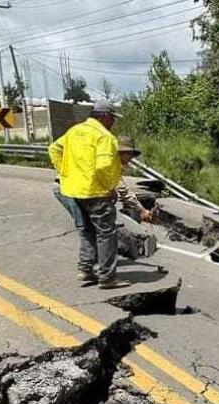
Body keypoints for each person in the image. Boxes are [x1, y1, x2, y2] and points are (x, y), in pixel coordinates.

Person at [48, 101, 135, 290]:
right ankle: (107, 277)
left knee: (87, 229)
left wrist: (65, 173)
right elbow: (103, 166)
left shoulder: (74, 131)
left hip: (74, 190)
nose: (113, 122)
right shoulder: (104, 136)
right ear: (103, 116)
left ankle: (85, 270)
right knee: (106, 233)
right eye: (112, 117)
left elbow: (54, 149)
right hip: (96, 192)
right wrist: (110, 187)